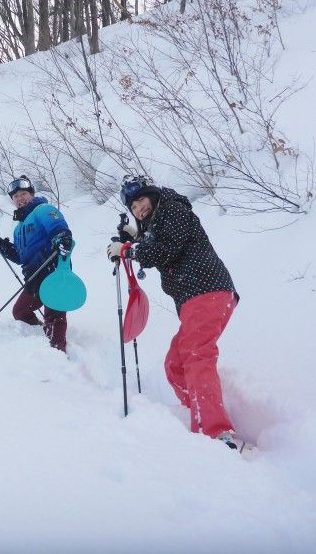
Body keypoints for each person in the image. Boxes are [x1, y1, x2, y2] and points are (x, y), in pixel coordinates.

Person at [107, 176, 243, 450]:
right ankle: (195, 410)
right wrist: (133, 239)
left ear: (153, 195)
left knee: (196, 356)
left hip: (207, 291)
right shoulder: (159, 222)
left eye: (141, 200)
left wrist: (129, 249)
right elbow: (155, 242)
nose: (139, 209)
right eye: (133, 206)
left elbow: (164, 248)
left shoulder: (174, 208)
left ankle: (216, 432)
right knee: (176, 364)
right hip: (195, 299)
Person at [0, 176, 73, 353]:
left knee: (54, 318)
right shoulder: (18, 228)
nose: (20, 198)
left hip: (53, 272)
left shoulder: (43, 210)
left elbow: (59, 228)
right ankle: (41, 336)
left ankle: (59, 356)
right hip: (34, 278)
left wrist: (62, 237)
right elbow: (21, 257)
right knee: (21, 312)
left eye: (23, 193)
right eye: (15, 196)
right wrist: (2, 245)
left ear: (32, 195)